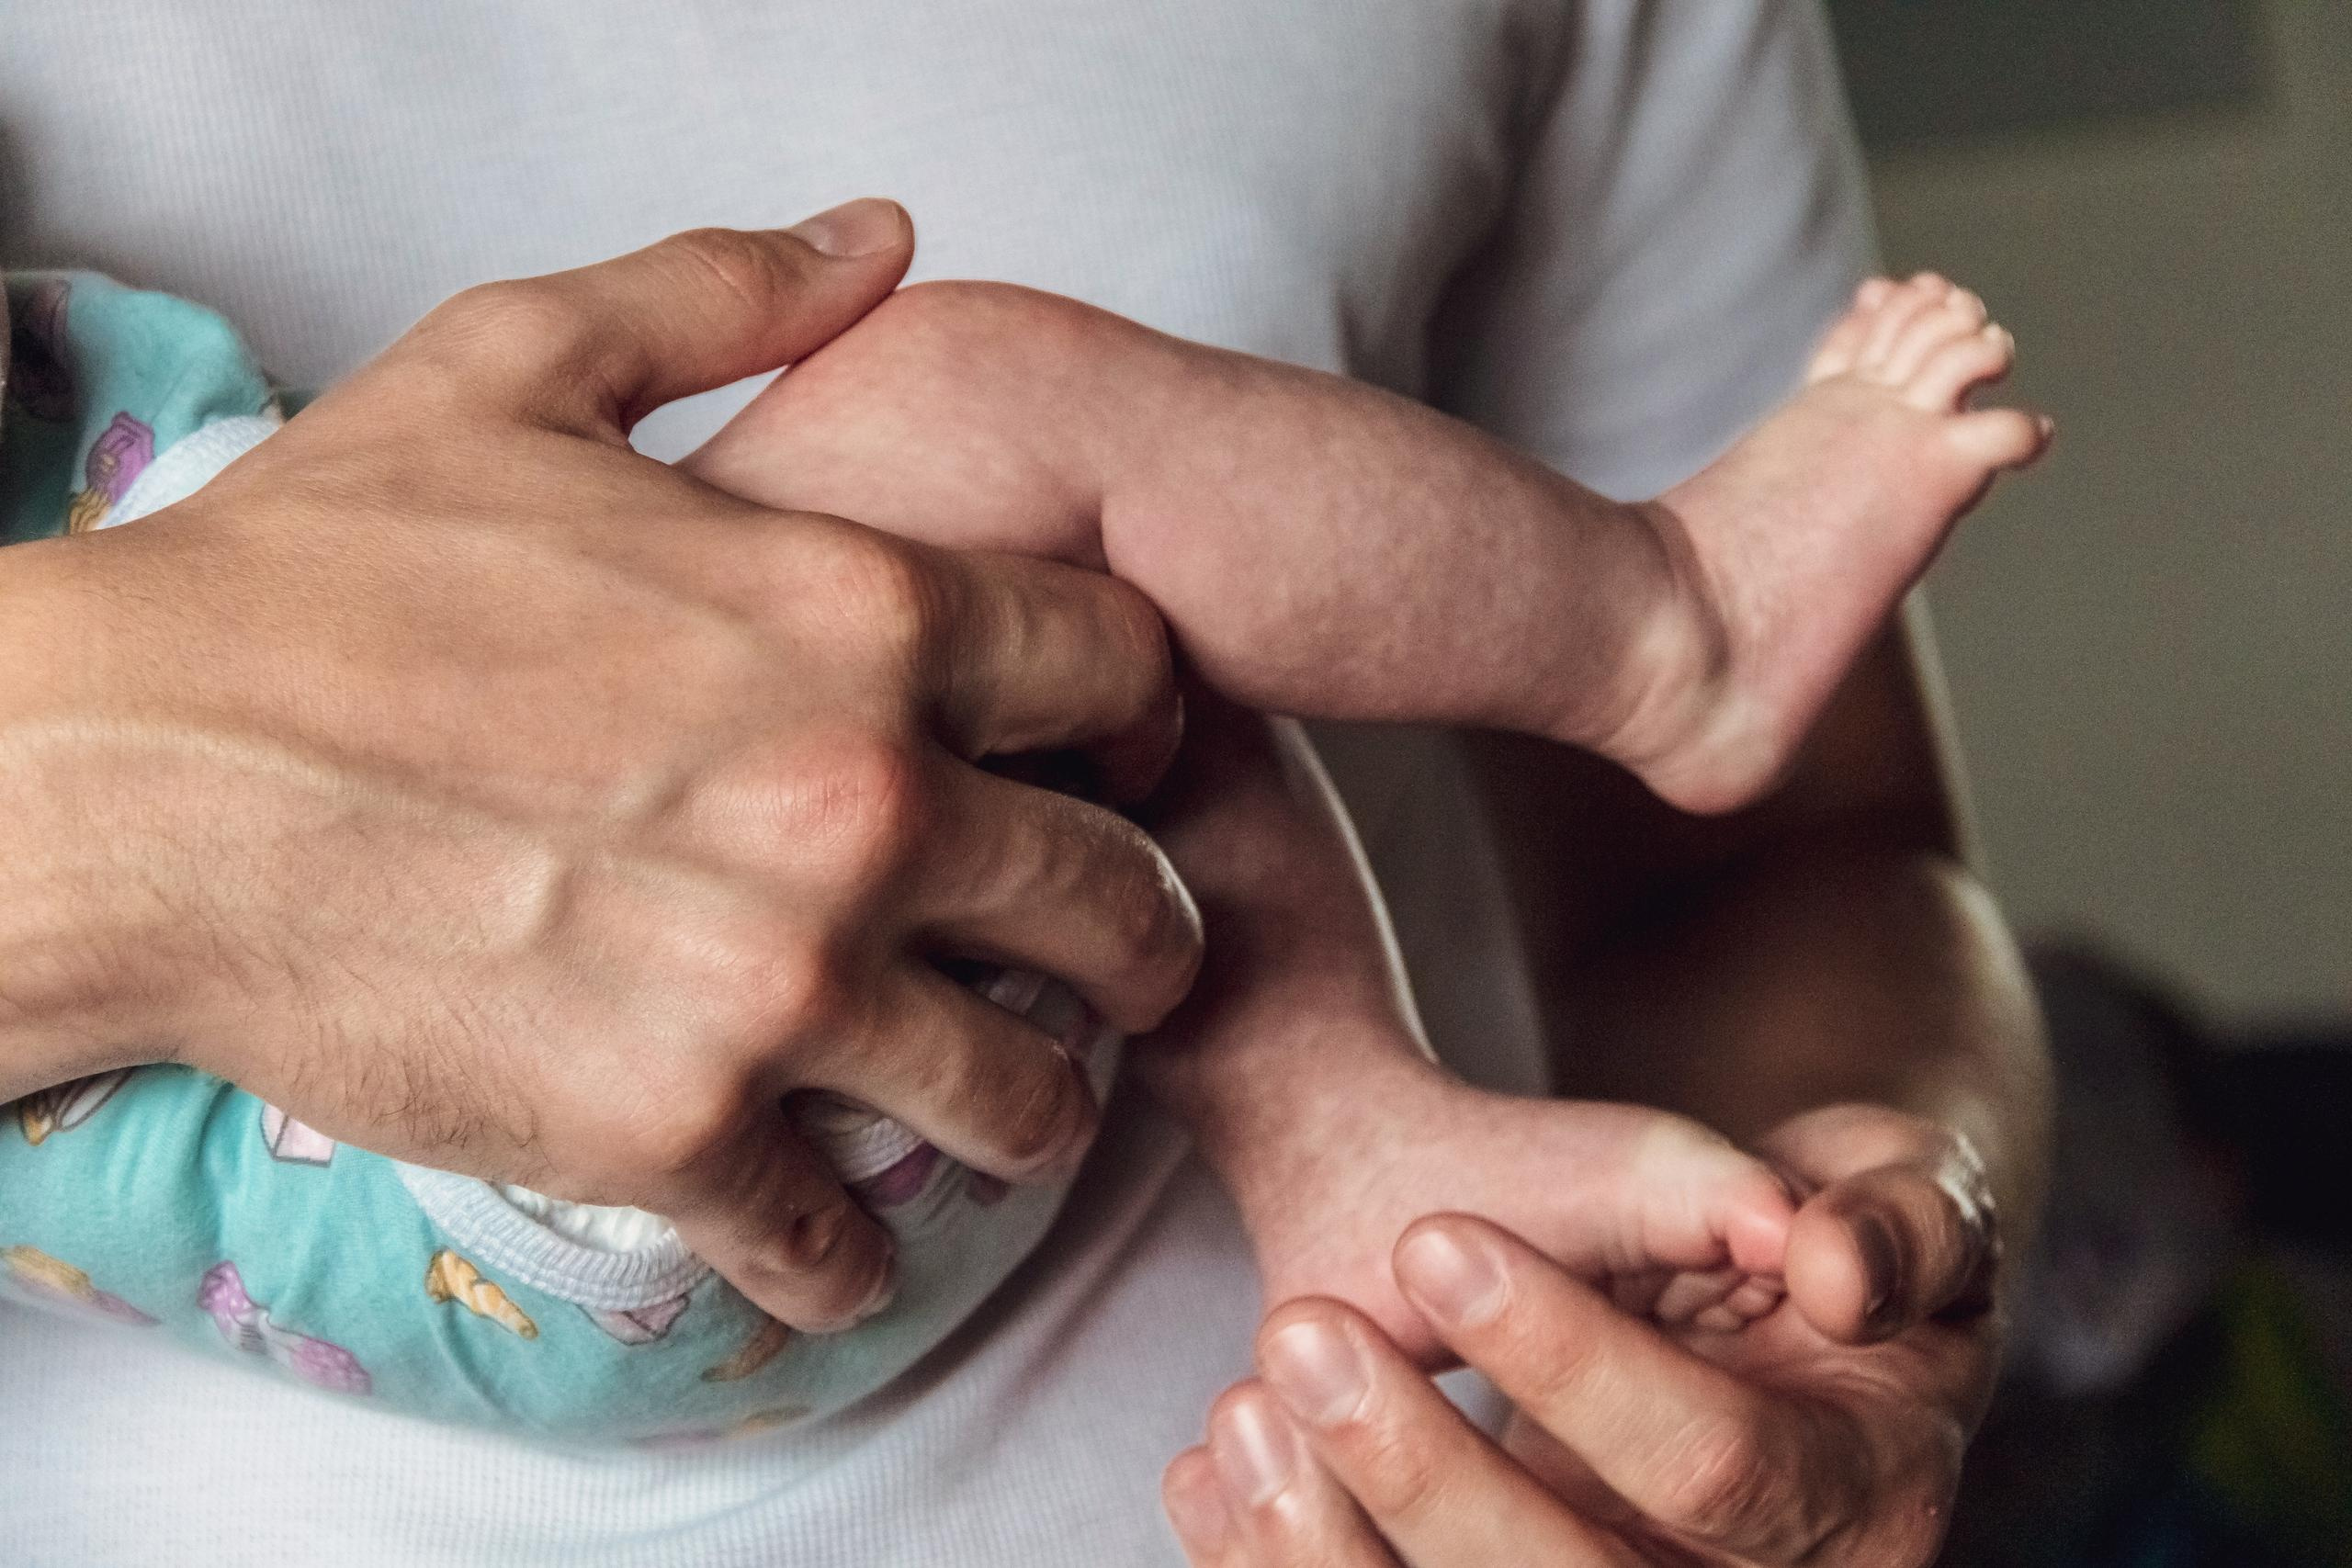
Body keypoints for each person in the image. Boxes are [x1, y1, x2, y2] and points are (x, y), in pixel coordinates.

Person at [0, 3, 2050, 1563]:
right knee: (964, 418)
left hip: (549, 1234)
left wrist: (1849, 1291)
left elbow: (1811, 863)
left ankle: (1347, 1141)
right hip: (461, 1195)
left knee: (978, 641)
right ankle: (1664, 623)